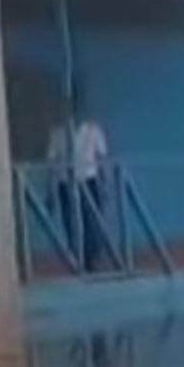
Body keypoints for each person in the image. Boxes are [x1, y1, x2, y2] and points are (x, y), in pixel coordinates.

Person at [46, 97, 110, 272]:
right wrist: (51, 191)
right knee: (70, 222)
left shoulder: (93, 131)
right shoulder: (57, 134)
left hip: (89, 181)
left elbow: (102, 160)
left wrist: (104, 185)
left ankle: (92, 258)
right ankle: (77, 258)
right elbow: (52, 165)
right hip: (66, 184)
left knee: (92, 222)